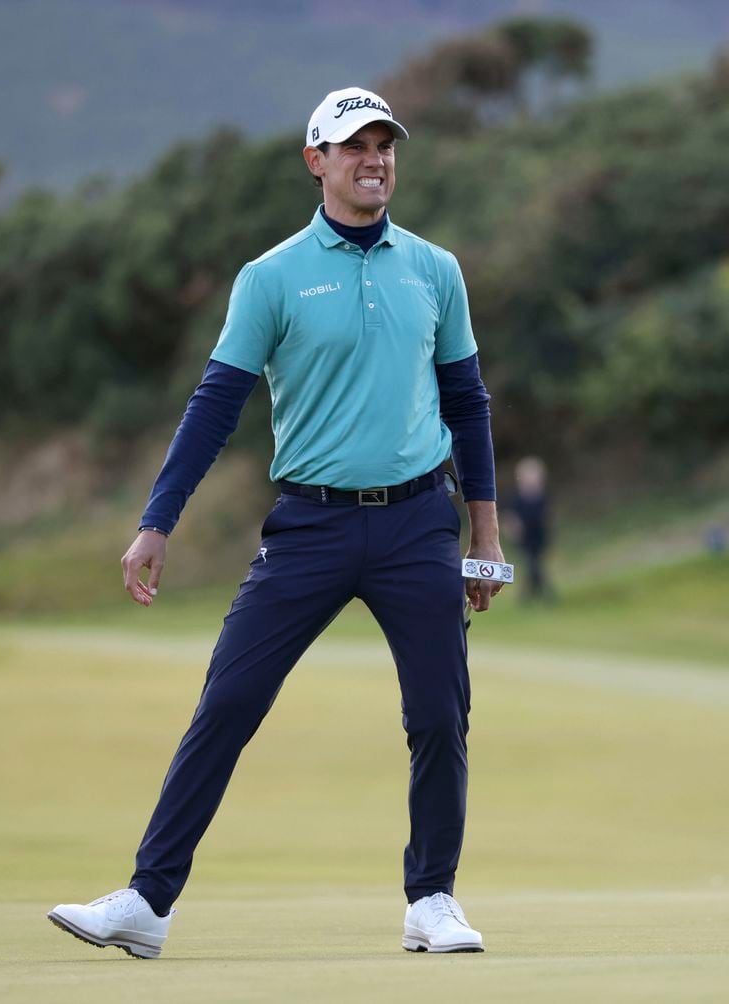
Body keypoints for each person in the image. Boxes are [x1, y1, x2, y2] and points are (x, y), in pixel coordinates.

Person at [48, 86, 504, 959]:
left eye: (386, 145)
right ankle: (148, 901)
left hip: (417, 524)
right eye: (355, 146)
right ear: (316, 161)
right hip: (310, 526)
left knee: (440, 714)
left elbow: (468, 404)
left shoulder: (434, 269)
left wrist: (484, 536)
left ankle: (433, 899)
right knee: (229, 702)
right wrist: (157, 522)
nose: (375, 159)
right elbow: (214, 406)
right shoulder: (273, 276)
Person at [509, 456, 553, 601]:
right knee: (532, 565)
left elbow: (546, 517)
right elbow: (511, 517)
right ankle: (540, 594)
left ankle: (531, 594)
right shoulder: (518, 499)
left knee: (536, 565)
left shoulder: (542, 497)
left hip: (539, 537)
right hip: (525, 539)